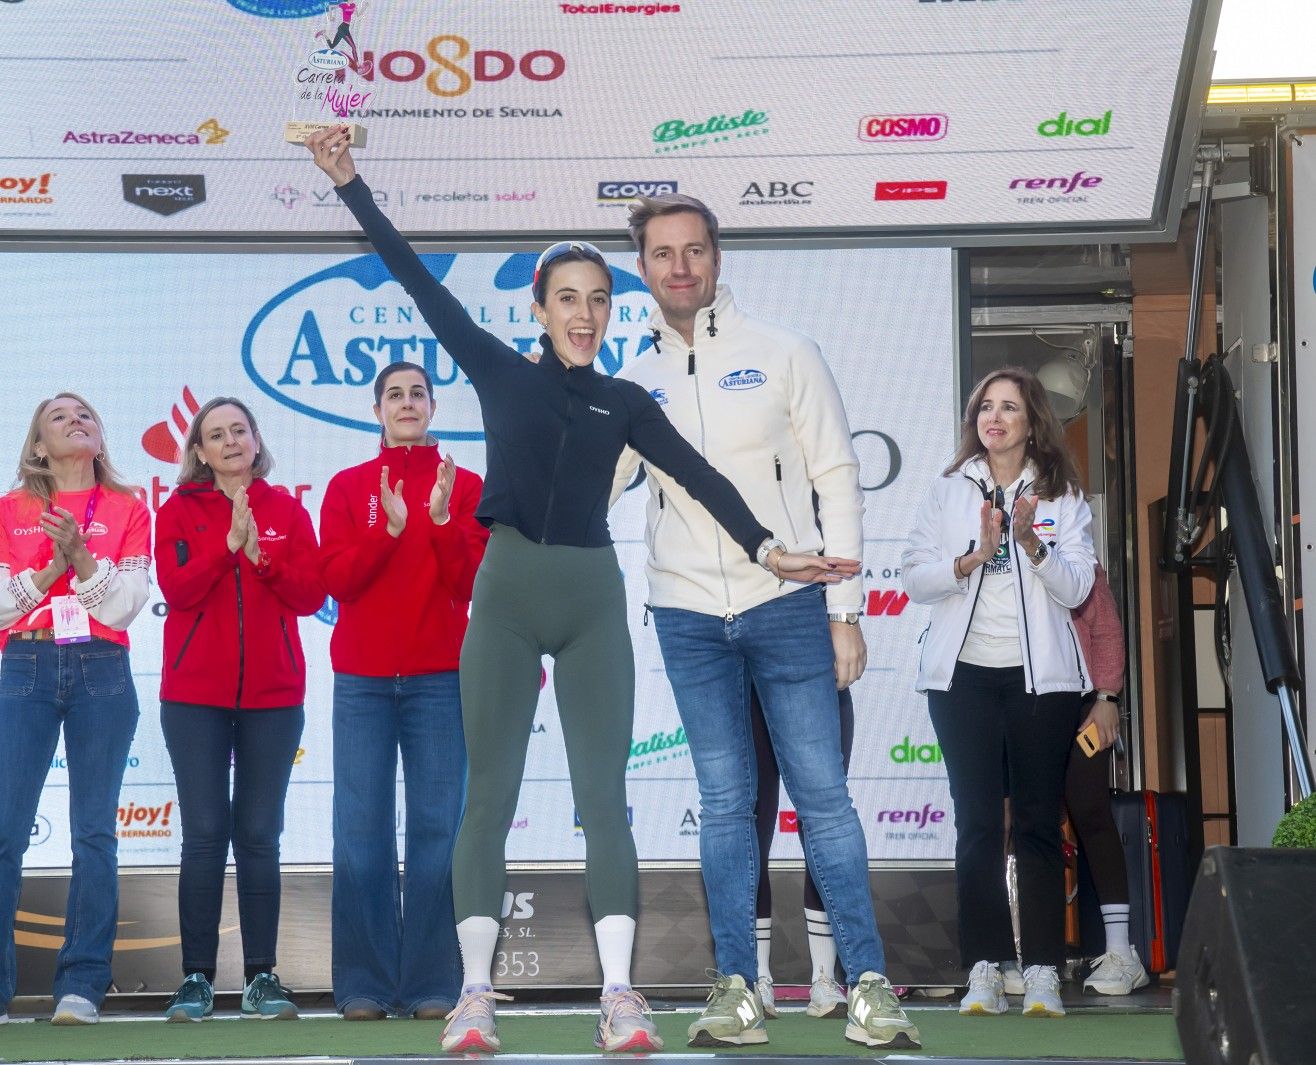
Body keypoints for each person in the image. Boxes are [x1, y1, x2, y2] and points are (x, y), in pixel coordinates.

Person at [305, 125, 848, 1054]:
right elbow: (413, 276)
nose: (585, 314)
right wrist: (349, 181)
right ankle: (472, 995)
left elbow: (703, 479)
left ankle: (621, 996)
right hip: (509, 593)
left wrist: (771, 547)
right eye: (568, 299)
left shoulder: (629, 399)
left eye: (599, 299)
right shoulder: (496, 370)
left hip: (593, 594)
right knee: (488, 796)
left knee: (605, 797)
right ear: (540, 307)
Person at [610, 193, 920, 1051]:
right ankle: (735, 989)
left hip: (788, 606)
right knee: (722, 803)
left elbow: (838, 474)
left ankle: (867, 986)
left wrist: (845, 611)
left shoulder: (785, 351)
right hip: (685, 612)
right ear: (644, 270)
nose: (680, 266)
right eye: (663, 254)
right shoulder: (632, 382)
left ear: (717, 258)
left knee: (823, 798)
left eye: (694, 250)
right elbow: (598, 491)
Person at [901, 366, 1096, 1019]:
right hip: (963, 680)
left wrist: (1029, 547)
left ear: (1032, 419)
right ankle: (986, 966)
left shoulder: (1063, 497)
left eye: (1008, 407)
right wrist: (973, 556)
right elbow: (916, 578)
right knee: (978, 823)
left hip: (1042, 681)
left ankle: (1041, 968)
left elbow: (1077, 590)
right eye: (986, 407)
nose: (995, 417)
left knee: (1039, 821)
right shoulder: (947, 489)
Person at [320, 361, 486, 1023]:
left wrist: (440, 517)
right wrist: (387, 529)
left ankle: (430, 984)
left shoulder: (466, 485)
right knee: (359, 831)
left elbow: (469, 581)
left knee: (438, 833)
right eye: (395, 393)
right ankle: (362, 982)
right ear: (377, 409)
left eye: (418, 392)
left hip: (441, 679)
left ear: (434, 405)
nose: (407, 402)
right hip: (361, 680)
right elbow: (339, 580)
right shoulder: (347, 486)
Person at [154, 397, 324, 1021]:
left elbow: (311, 595)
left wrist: (263, 556)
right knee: (203, 836)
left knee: (258, 836)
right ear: (198, 451)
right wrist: (227, 546)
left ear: (256, 440)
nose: (229, 442)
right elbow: (177, 589)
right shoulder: (176, 511)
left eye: (239, 431)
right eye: (215, 434)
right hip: (194, 699)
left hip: (275, 701)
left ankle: (262, 977)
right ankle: (195, 977)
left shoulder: (287, 511)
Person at [0, 393, 151, 1026]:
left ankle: (82, 987)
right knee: (6, 832)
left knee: (95, 835)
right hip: (24, 665)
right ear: (37, 445)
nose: (76, 421)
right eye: (59, 417)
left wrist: (83, 560)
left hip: (101, 667)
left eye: (86, 414)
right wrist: (49, 569)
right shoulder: (10, 509)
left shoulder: (128, 506)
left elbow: (124, 607)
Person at [1066, 564, 1148, 995]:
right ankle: (1015, 956)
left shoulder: (1081, 562)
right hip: (1024, 705)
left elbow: (1108, 633)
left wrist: (1107, 695)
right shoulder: (1000, 558)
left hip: (1087, 705)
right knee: (1023, 816)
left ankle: (1122, 952)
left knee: (1090, 809)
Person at [749, 686, 854, 1020]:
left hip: (818, 680)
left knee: (823, 830)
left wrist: (847, 629)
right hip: (750, 686)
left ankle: (824, 979)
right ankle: (757, 978)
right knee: (752, 831)